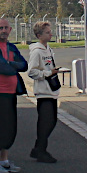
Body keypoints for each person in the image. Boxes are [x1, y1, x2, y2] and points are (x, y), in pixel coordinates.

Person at [0, 17, 27, 173]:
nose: (3, 30)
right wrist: (11, 65)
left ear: (10, 30)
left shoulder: (11, 47)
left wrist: (11, 64)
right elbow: (2, 67)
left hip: (11, 92)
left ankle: (5, 160)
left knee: (10, 126)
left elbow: (24, 65)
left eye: (6, 28)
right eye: (0, 28)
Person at [26, 20, 60, 163]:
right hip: (43, 92)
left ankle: (39, 148)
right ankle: (40, 150)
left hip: (52, 91)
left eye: (50, 31)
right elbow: (32, 71)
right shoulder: (37, 52)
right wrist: (47, 74)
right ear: (39, 35)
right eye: (47, 32)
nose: (50, 34)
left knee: (52, 121)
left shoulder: (49, 50)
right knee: (45, 122)